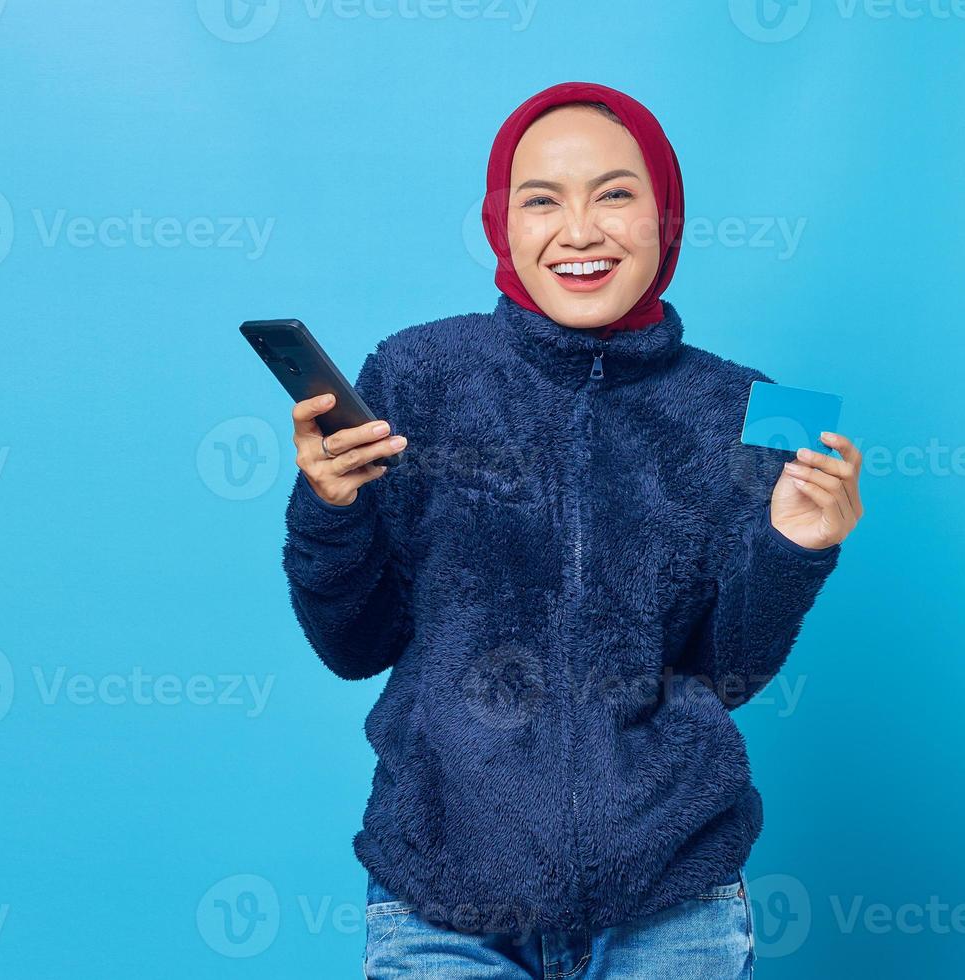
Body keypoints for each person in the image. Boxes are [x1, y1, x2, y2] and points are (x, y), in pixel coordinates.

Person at [282, 81, 863, 978]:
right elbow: (354, 645)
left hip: (672, 903)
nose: (580, 231)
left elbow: (726, 674)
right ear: (500, 223)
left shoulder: (757, 407)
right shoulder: (413, 373)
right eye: (542, 199)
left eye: (616, 194)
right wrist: (331, 508)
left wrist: (796, 550)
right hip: (443, 898)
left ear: (665, 217)